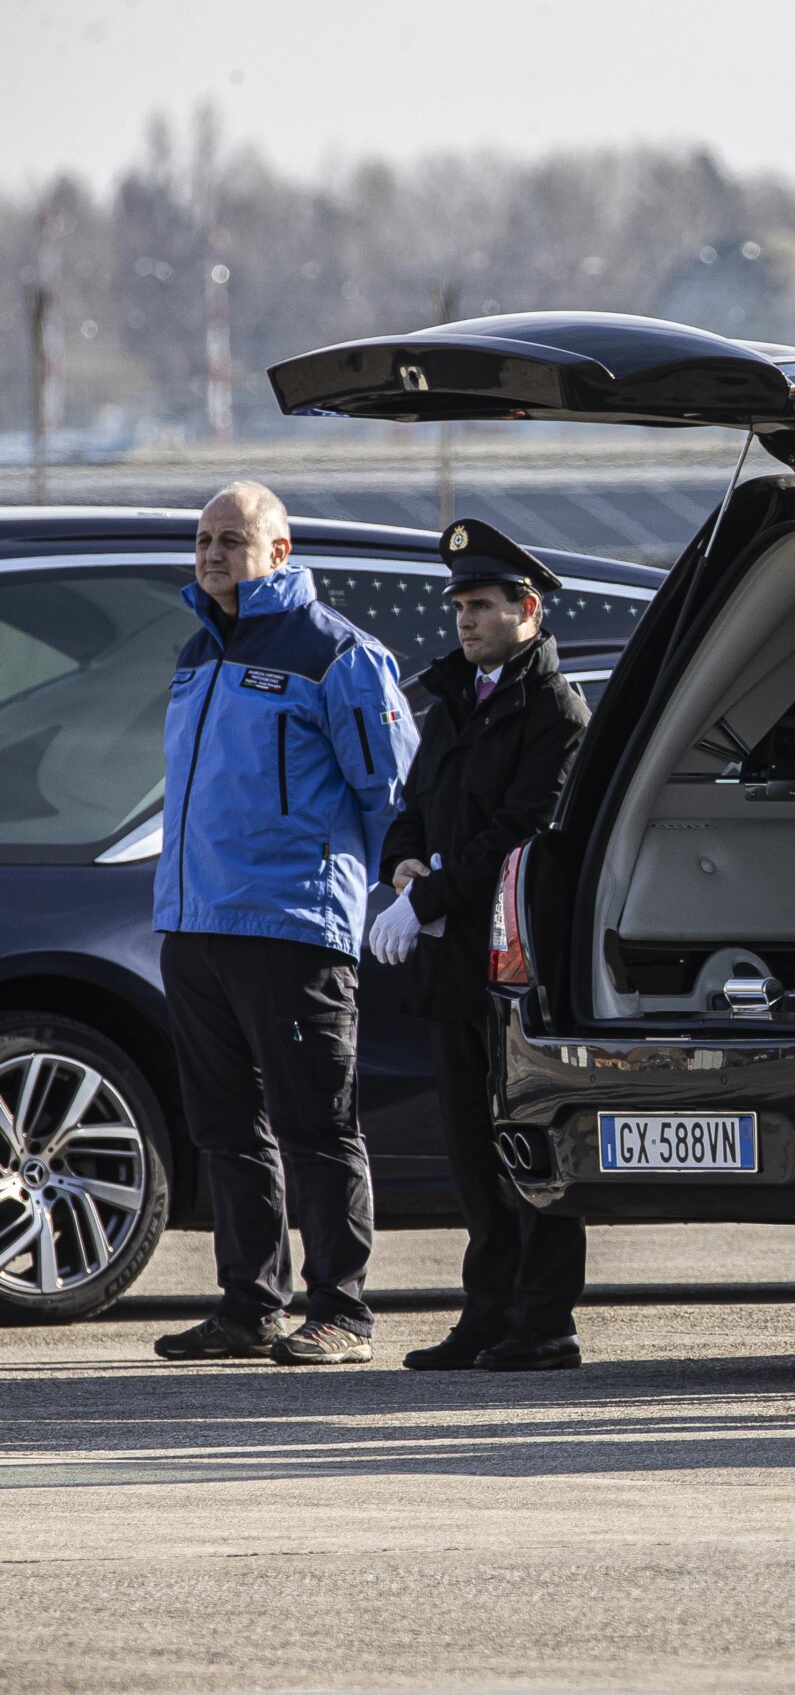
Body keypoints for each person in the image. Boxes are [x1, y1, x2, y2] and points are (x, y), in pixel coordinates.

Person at [150, 482, 417, 1366]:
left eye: (231, 539)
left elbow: (394, 798)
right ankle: (249, 1303)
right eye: (203, 541)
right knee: (224, 1124)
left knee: (316, 1121)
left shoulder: (338, 654)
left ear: (280, 549)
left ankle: (342, 1308)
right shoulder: (198, 651)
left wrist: (407, 896)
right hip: (197, 924)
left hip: (292, 925)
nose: (214, 554)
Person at [370, 519, 592, 1373]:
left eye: (484, 604)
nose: (466, 619)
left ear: (527, 608)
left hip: (516, 966)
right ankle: (487, 1313)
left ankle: (543, 1321)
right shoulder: (454, 695)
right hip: (453, 958)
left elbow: (520, 834)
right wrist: (402, 866)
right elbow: (413, 805)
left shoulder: (553, 710)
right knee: (470, 1147)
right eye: (460, 604)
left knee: (522, 1145)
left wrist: (429, 891)